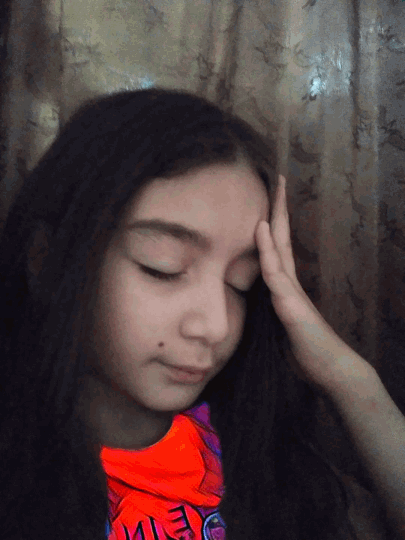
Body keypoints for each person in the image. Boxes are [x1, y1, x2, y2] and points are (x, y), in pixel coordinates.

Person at [0, 87, 370, 540]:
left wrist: (347, 376)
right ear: (47, 260)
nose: (216, 326)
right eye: (163, 267)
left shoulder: (265, 462)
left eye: (241, 282)